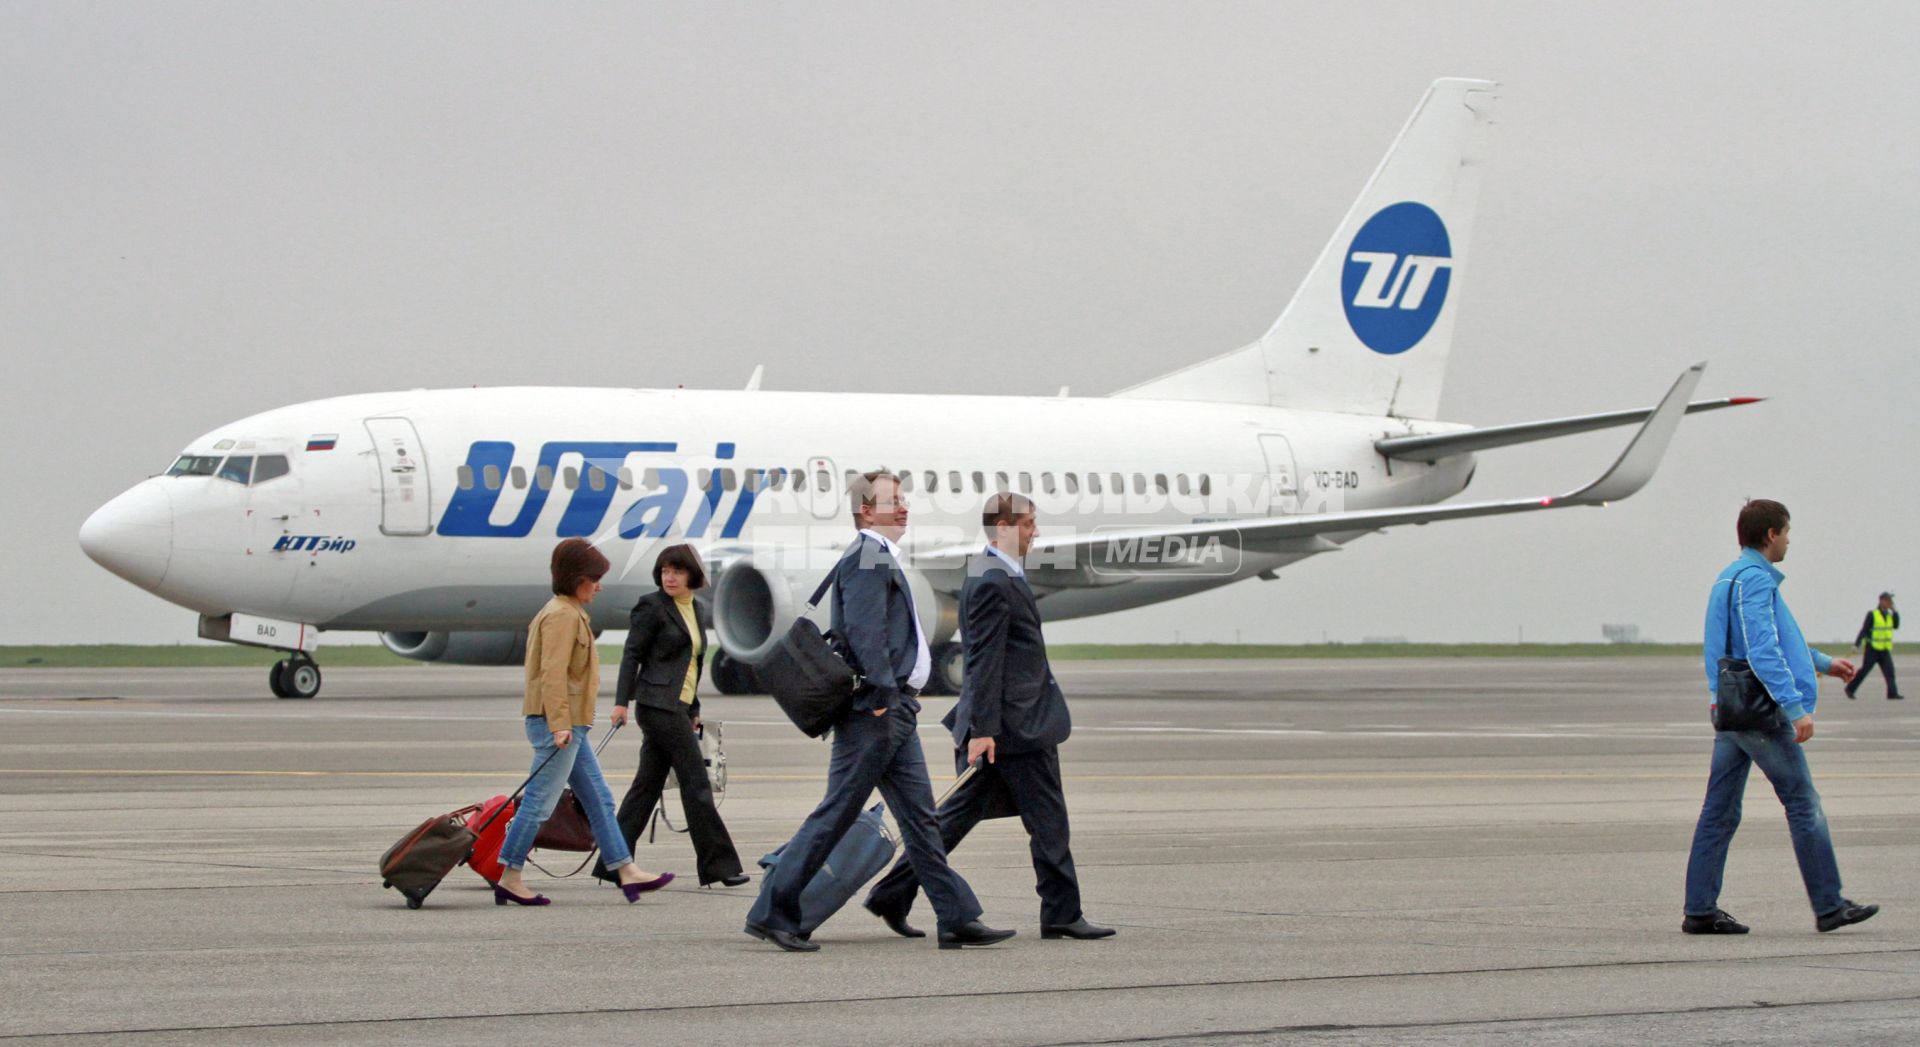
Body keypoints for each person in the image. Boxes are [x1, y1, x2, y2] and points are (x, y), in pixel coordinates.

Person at [744, 470, 1014, 952]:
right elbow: (868, 636)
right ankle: (772, 913)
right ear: (867, 511)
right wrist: (884, 697)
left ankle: (955, 918)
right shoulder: (868, 556)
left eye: (904, 499)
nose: (904, 507)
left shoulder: (879, 555)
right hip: (877, 711)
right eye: (894, 501)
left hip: (894, 712)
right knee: (835, 814)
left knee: (921, 819)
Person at [864, 493, 1114, 940]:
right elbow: (982, 661)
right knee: (1049, 822)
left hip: (1010, 724)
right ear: (1003, 526)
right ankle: (1061, 913)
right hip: (1013, 729)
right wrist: (982, 730)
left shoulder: (998, 574)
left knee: (955, 819)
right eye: (1028, 523)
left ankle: (892, 894)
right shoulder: (991, 580)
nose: (1035, 531)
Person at [1683, 499, 1877, 935]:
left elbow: (1772, 642)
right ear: (1771, 534)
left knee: (1720, 811)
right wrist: (1795, 709)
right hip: (1759, 713)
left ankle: (1699, 909)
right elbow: (1762, 650)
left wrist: (1825, 663)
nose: (1789, 540)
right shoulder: (1755, 581)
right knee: (1804, 804)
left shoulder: (1729, 578)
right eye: (1787, 532)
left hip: (1731, 709)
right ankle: (1829, 905)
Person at [495, 538, 674, 906]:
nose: (599, 585)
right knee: (539, 805)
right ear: (578, 580)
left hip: (570, 725)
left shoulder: (566, 611)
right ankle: (509, 875)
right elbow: (552, 674)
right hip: (559, 726)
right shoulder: (561, 616)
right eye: (594, 578)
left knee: (600, 799)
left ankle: (625, 870)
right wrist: (559, 724)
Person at [593, 543, 748, 888]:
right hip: (656, 706)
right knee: (695, 784)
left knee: (645, 787)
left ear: (692, 574)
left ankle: (611, 862)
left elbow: (691, 663)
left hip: (677, 706)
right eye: (664, 571)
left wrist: (693, 709)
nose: (670, 577)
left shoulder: (696, 607)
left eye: (676, 571)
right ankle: (720, 867)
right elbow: (631, 655)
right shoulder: (652, 607)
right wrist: (621, 702)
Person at [1845, 592, 1902, 700]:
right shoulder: (1872, 614)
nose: (1890, 603)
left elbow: (1896, 625)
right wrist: (1857, 644)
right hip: (1872, 649)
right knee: (1865, 670)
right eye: (1888, 600)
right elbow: (1864, 630)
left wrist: (1895, 611)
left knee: (1890, 672)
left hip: (1884, 649)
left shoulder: (1889, 615)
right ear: (1881, 601)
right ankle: (1850, 689)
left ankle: (1892, 693)